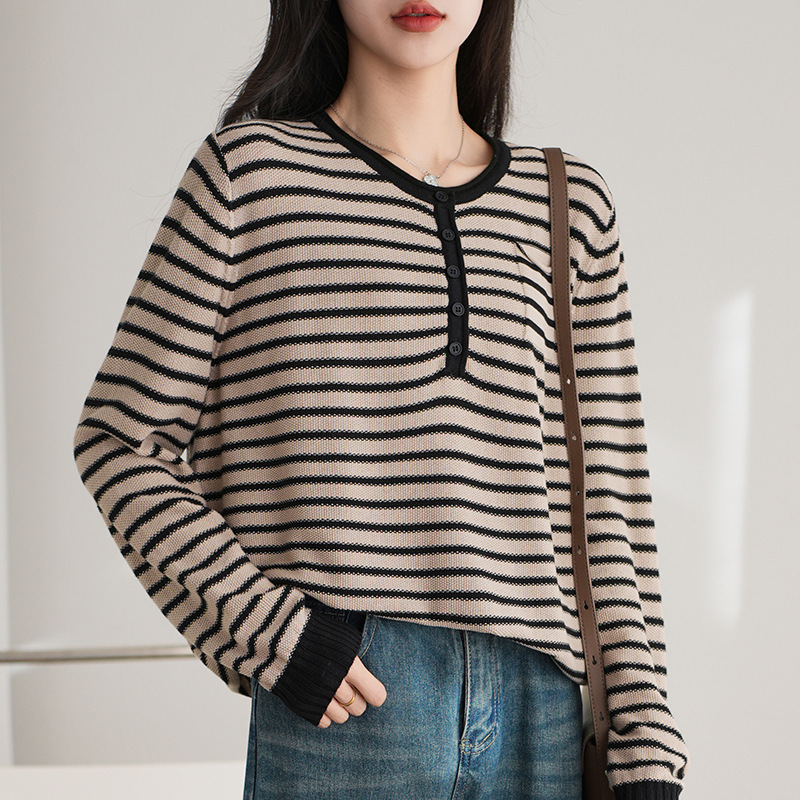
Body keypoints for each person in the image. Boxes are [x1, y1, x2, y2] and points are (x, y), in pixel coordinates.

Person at [72, 1, 691, 798]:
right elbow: (120, 442)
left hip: (542, 706)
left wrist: (644, 736)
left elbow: (608, 496)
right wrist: (276, 635)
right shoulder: (248, 176)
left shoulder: (569, 204)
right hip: (351, 695)